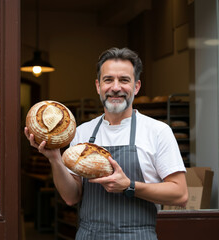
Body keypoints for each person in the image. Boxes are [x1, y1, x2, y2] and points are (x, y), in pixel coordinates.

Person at [25, 47, 188, 239]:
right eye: (108, 80)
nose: (116, 87)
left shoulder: (157, 132)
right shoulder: (81, 132)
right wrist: (55, 159)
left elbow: (180, 194)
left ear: (136, 86)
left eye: (124, 80)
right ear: (98, 86)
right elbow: (71, 197)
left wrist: (129, 186)